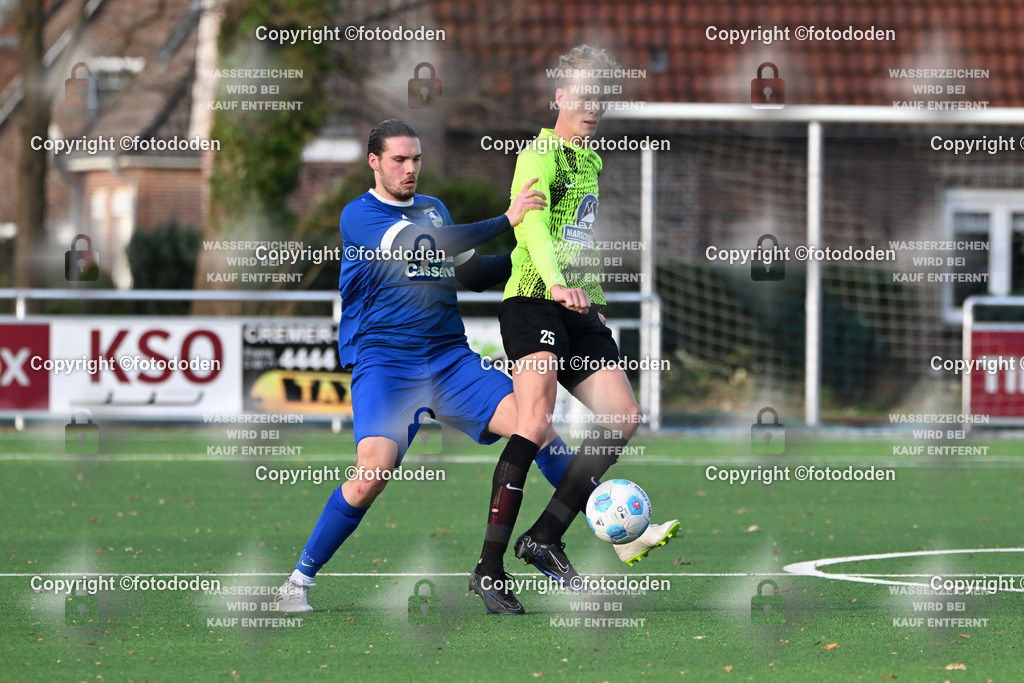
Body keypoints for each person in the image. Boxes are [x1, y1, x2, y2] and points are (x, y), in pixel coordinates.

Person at [274, 119, 670, 615]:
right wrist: (510, 218)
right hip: (387, 366)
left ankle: (599, 533)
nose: (410, 168)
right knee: (371, 473)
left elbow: (475, 273)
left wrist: (541, 264)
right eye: (399, 159)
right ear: (373, 162)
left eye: (416, 158)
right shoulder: (360, 217)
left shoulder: (434, 209)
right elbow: (429, 246)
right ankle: (297, 583)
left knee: (536, 427)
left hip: (449, 362)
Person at [469, 46, 679, 613]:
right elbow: (533, 226)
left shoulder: (592, 160)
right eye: (582, 95)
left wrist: (597, 301)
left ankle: (544, 538)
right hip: (533, 301)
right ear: (559, 96)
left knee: (623, 417)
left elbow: (581, 234)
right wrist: (558, 283)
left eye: (601, 96)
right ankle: (488, 569)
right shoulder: (538, 154)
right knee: (535, 423)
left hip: (577, 306)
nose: (593, 106)